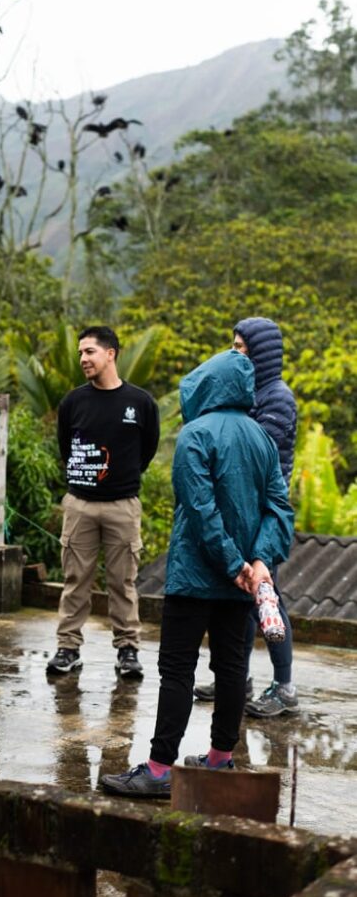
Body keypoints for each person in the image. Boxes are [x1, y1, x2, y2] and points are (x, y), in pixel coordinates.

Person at [100, 349, 294, 798]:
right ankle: (221, 759)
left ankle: (159, 770)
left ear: (208, 385)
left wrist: (235, 565)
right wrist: (258, 563)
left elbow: (201, 510)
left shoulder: (195, 434)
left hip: (194, 577)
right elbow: (280, 509)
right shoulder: (262, 438)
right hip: (242, 583)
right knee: (232, 668)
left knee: (176, 670)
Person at [194, 317, 298, 718]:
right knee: (241, 600)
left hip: (264, 513)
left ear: (262, 353)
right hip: (239, 508)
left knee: (265, 596)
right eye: (233, 345)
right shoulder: (247, 392)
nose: (234, 352)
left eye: (241, 347)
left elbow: (250, 451)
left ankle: (285, 688)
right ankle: (238, 677)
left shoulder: (278, 398)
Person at [46, 326, 160, 678]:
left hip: (122, 505)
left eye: (90, 351)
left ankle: (128, 650)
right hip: (79, 504)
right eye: (80, 352)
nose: (83, 359)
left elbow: (147, 450)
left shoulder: (141, 402)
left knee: (122, 582)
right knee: (75, 579)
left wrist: (120, 477)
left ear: (111, 354)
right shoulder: (73, 402)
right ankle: (67, 648)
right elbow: (65, 448)